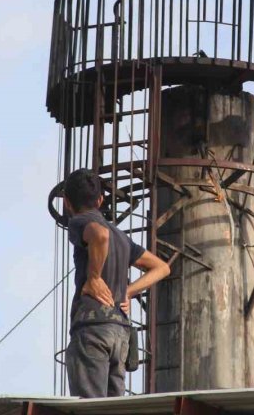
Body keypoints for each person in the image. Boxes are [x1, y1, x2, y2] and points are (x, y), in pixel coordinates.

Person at [63, 168, 170, 398]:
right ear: (100, 200)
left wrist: (93, 277)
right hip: (120, 334)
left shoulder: (79, 222)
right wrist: (127, 292)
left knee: (90, 407)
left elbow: (99, 234)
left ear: (66, 203)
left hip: (93, 329)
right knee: (113, 408)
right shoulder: (122, 237)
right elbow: (162, 267)